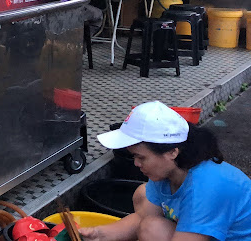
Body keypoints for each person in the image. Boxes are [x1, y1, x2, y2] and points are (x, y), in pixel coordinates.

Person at [81, 101, 251, 241]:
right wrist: (98, 234)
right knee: (147, 212)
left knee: (153, 227)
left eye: (141, 157)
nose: (136, 164)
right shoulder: (167, 172)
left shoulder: (205, 186)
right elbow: (142, 218)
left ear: (172, 152)